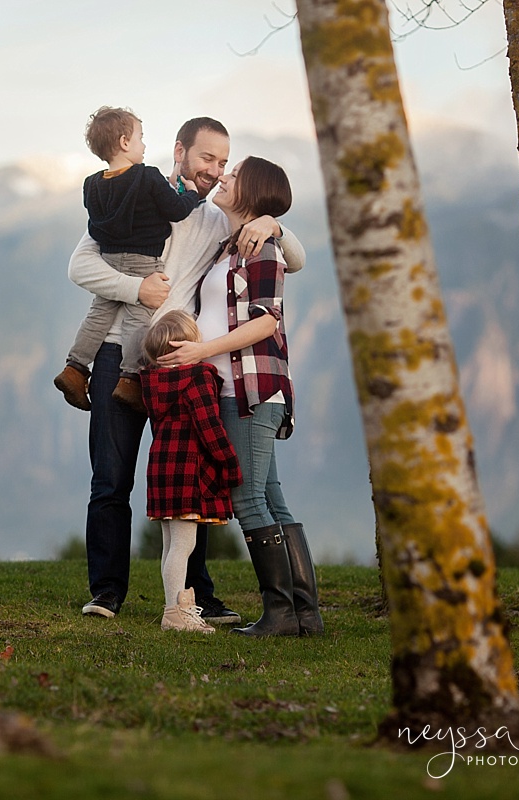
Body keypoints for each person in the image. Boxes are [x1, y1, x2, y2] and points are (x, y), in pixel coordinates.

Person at [68, 117, 306, 621]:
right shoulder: (135, 192)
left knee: (187, 477)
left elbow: (294, 258)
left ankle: (197, 595)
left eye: (223, 163)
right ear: (180, 152)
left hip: (181, 363)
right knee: (110, 477)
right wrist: (137, 291)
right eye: (207, 159)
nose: (215, 172)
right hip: (118, 354)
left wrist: (275, 225)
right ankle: (107, 592)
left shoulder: (221, 219)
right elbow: (80, 266)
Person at [156, 156, 322, 637]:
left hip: (249, 389)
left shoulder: (261, 247)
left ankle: (280, 614)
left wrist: (201, 351)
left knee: (247, 498)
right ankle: (302, 615)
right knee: (271, 496)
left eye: (233, 174)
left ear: (252, 191)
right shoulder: (230, 245)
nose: (224, 178)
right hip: (231, 387)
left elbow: (267, 319)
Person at [54, 107, 201, 413]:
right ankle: (130, 379)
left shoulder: (92, 184)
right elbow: (174, 210)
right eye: (140, 138)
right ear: (124, 142)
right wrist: (192, 195)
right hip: (143, 261)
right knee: (138, 319)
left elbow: (95, 226)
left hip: (109, 258)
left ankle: (75, 367)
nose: (144, 145)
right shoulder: (147, 177)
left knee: (98, 314)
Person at [140, 310, 241, 633]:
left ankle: (181, 605)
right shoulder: (198, 377)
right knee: (184, 546)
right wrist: (229, 462)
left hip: (161, 465)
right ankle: (175, 613)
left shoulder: (152, 382)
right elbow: (209, 426)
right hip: (187, 467)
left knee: (171, 544)